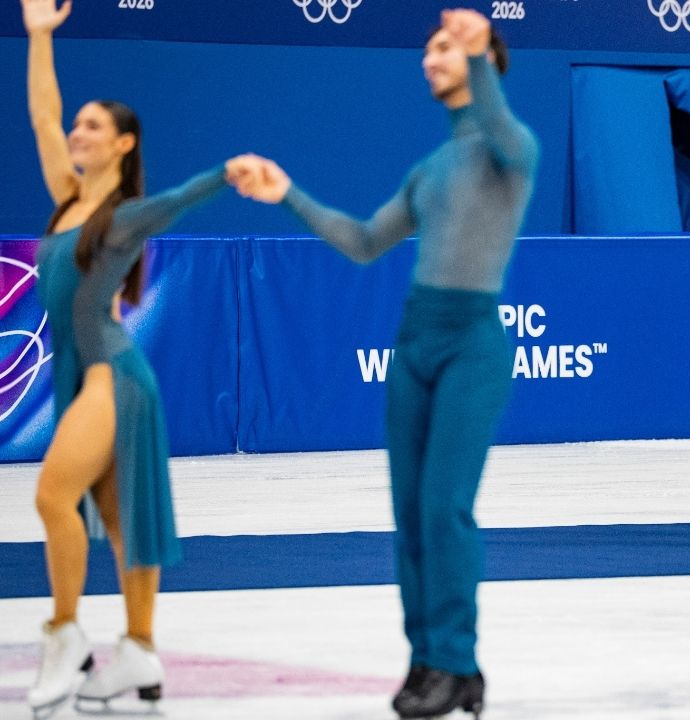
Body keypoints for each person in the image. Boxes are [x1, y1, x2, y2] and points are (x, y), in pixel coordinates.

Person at [229, 8, 538, 719]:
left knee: (443, 507)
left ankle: (458, 662)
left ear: (482, 57)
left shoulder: (510, 148)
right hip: (415, 338)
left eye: (447, 47)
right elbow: (367, 241)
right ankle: (426, 658)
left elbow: (507, 139)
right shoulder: (431, 167)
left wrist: (477, 54)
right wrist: (290, 196)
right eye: (429, 48)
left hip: (472, 343)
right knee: (408, 515)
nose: (431, 57)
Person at [21, 0, 240, 715]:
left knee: (54, 496)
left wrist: (226, 173)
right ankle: (139, 653)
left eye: (94, 125)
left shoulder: (125, 212)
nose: (77, 131)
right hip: (83, 373)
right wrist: (40, 37)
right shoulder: (65, 201)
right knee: (120, 524)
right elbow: (43, 115)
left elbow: (179, 197)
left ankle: (64, 639)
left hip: (114, 377)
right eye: (79, 124)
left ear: (122, 144)